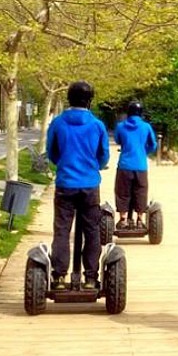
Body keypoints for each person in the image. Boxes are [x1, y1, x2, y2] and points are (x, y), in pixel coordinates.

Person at [46, 80, 110, 290]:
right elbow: (103, 156)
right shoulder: (97, 125)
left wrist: (64, 165)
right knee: (92, 230)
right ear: (89, 101)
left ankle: (59, 276)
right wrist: (93, 167)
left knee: (62, 230)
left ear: (69, 99)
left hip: (65, 184)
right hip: (90, 185)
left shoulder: (57, 123)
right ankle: (91, 278)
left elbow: (52, 152)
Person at [113, 100, 157, 230]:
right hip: (140, 165)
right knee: (140, 191)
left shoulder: (121, 126)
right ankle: (139, 219)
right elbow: (153, 144)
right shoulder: (146, 127)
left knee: (123, 192)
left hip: (125, 165)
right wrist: (144, 152)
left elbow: (117, 140)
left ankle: (123, 219)